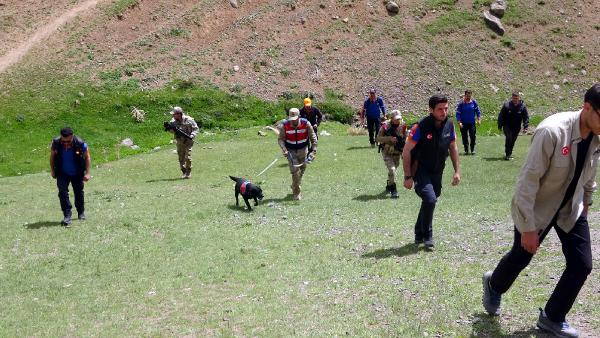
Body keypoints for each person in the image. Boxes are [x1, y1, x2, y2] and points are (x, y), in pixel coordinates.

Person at [482, 84, 600, 338]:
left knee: (582, 265)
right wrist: (527, 227)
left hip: (571, 206)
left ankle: (552, 317)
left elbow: (590, 173)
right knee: (521, 256)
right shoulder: (552, 131)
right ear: (587, 107)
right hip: (539, 207)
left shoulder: (597, 135)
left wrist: (587, 203)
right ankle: (493, 284)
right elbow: (527, 182)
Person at [402, 94, 461, 250]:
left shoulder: (450, 125)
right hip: (420, 170)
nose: (444, 112)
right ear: (430, 109)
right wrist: (408, 176)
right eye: (440, 109)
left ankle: (418, 231)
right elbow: (406, 151)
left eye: (446, 108)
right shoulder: (419, 127)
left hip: (438, 170)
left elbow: (453, 147)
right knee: (430, 199)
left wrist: (457, 171)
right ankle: (428, 236)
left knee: (431, 199)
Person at [49, 127, 91, 226]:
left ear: (72, 137)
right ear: (61, 138)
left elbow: (87, 157)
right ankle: (67, 215)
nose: (66, 144)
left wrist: (88, 173)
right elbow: (52, 157)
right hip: (62, 172)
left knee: (78, 192)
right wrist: (52, 170)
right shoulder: (56, 144)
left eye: (68, 141)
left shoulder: (81, 144)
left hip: (77, 172)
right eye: (64, 142)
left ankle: (81, 212)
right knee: (62, 192)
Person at [278, 108, 318, 200]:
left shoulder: (306, 124)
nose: (293, 120)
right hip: (290, 152)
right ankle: (297, 193)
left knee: (302, 170)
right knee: (295, 172)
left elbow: (313, 137)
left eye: (295, 118)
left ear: (299, 116)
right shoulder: (285, 125)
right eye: (291, 118)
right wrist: (284, 149)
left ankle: (294, 185)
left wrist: (314, 150)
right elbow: (280, 139)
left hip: (303, 150)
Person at [376, 110, 407, 198]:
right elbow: (377, 139)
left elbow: (405, 139)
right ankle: (394, 190)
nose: (398, 120)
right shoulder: (385, 126)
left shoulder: (403, 125)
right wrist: (389, 138)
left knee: (392, 172)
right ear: (391, 118)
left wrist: (404, 152)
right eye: (396, 119)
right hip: (387, 152)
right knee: (392, 170)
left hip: (397, 152)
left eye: (399, 118)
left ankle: (389, 185)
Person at [168, 106, 199, 179]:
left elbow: (196, 129)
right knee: (181, 157)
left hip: (188, 141)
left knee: (187, 157)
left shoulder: (189, 120)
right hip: (179, 141)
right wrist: (169, 129)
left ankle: (188, 172)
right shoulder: (172, 121)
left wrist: (192, 135)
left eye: (174, 114)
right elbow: (172, 132)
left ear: (179, 114)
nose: (173, 115)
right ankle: (184, 171)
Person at [498, 91, 530, 160]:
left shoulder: (522, 107)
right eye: (514, 98)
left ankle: (510, 153)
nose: (515, 99)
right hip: (507, 126)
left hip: (516, 127)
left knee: (513, 140)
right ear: (512, 98)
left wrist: (525, 127)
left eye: (516, 98)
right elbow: (501, 115)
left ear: (519, 98)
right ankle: (507, 154)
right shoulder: (506, 105)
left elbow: (526, 117)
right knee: (509, 138)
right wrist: (500, 125)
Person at [455, 90, 481, 155]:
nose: (468, 97)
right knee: (464, 137)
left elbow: (478, 111)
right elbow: (458, 114)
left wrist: (478, 119)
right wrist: (459, 122)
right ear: (465, 95)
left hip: (472, 123)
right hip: (463, 123)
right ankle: (466, 150)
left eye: (470, 95)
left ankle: (472, 150)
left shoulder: (474, 103)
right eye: (467, 95)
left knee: (472, 136)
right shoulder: (461, 104)